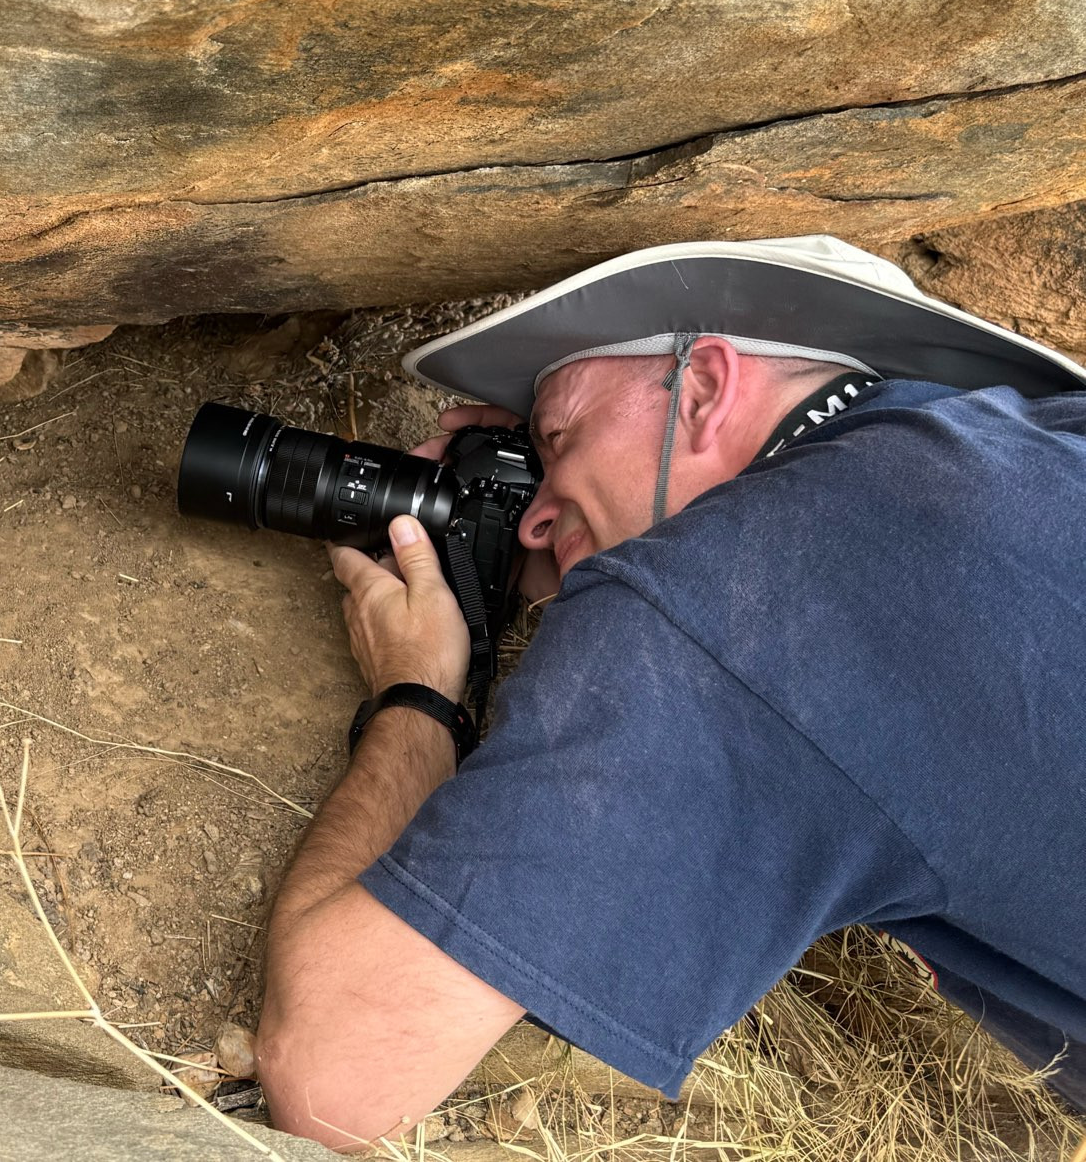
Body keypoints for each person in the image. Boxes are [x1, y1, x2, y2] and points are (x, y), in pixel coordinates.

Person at [253, 236, 1086, 1150]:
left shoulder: (743, 595)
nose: (532, 513)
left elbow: (337, 1078)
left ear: (700, 390)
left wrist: (421, 695)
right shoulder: (1030, 439)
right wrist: (557, 522)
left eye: (556, 436)